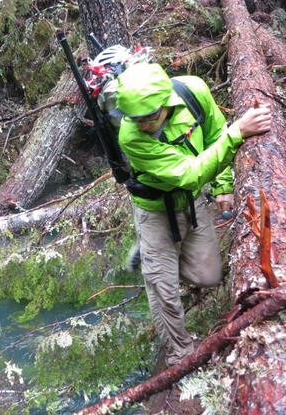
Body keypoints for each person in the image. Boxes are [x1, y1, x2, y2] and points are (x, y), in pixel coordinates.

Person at [115, 62, 271, 366]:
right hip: (155, 210)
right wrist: (238, 131)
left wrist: (224, 183)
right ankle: (180, 355)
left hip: (191, 200)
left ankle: (156, 259)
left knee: (207, 274)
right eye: (135, 119)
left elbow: (215, 132)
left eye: (149, 118)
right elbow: (188, 173)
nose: (143, 125)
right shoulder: (130, 137)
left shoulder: (193, 92)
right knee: (164, 289)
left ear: (166, 103)